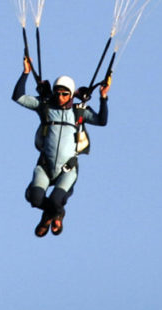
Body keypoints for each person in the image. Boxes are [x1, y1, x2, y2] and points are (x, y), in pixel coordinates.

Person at [13, 55, 109, 236]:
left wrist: (103, 97)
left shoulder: (79, 111)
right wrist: (25, 72)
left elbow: (102, 121)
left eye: (65, 93)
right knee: (35, 199)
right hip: (45, 166)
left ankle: (51, 215)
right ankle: (55, 215)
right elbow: (18, 97)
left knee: (57, 201)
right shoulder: (45, 106)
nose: (60, 96)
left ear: (71, 95)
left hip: (67, 169)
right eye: (57, 92)